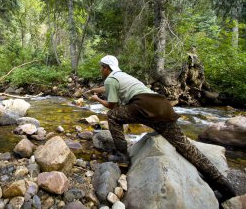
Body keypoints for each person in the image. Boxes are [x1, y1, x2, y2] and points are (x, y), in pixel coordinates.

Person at [87, 54, 236, 202]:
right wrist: (94, 90)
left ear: (106, 68)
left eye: (102, 67)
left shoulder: (111, 80)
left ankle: (122, 155)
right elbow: (106, 88)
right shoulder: (122, 76)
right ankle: (225, 187)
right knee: (188, 148)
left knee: (113, 116)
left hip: (144, 107)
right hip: (162, 106)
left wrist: (96, 99)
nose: (101, 70)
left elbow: (111, 106)